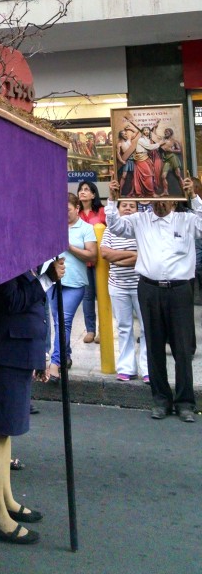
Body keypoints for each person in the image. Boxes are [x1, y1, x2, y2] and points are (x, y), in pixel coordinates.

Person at [0, 258, 65, 546]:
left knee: (6, 432)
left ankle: (7, 500)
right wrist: (47, 279)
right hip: (4, 351)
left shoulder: (24, 259)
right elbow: (11, 300)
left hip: (19, 348)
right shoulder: (2, 257)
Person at [107, 178, 202, 421]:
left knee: (182, 350)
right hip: (149, 290)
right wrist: (112, 198)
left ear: (174, 199)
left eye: (165, 198)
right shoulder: (140, 220)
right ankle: (160, 399)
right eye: (156, 199)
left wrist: (193, 198)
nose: (160, 204)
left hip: (180, 290)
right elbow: (116, 226)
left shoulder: (187, 219)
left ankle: (185, 403)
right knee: (154, 345)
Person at [48, 194, 97, 381]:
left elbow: (92, 255)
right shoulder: (54, 226)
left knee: (64, 320)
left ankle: (55, 363)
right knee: (57, 321)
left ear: (77, 208)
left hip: (75, 282)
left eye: (67, 210)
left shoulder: (87, 228)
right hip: (53, 281)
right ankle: (65, 355)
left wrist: (68, 246)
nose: (64, 214)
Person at [99, 199, 148, 381]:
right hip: (117, 285)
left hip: (141, 285)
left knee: (146, 328)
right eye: (124, 205)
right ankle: (127, 368)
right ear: (118, 208)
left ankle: (148, 369)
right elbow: (105, 253)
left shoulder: (142, 227)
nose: (127, 208)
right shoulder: (110, 229)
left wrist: (118, 258)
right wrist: (133, 255)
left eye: (132, 206)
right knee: (124, 327)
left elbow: (145, 255)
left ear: (137, 209)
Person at [77, 179, 106, 344]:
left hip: (101, 261)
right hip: (83, 260)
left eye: (87, 189)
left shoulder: (101, 211)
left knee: (102, 295)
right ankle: (90, 330)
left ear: (93, 194)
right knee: (87, 297)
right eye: (81, 189)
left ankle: (103, 330)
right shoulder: (76, 213)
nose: (83, 192)